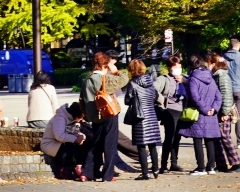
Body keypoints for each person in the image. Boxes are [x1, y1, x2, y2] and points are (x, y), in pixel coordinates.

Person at [79, 51, 128, 182]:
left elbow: (82, 101)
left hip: (94, 117)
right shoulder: (105, 79)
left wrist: (87, 116)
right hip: (109, 114)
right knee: (109, 145)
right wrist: (116, 70)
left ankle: (87, 173)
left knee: (96, 144)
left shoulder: (86, 81)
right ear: (105, 65)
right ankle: (107, 174)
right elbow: (124, 80)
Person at [178, 56, 222, 176]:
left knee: (197, 140)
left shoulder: (193, 79)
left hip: (199, 113)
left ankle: (201, 167)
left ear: (191, 66)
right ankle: (211, 167)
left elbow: (195, 97)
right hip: (211, 114)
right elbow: (219, 96)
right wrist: (214, 109)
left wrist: (205, 109)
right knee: (209, 140)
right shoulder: (211, 78)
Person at [124, 59, 162, 180]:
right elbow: (156, 96)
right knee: (152, 144)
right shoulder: (150, 81)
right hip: (151, 115)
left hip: (139, 116)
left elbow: (127, 100)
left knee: (141, 146)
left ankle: (145, 172)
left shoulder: (132, 83)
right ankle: (155, 169)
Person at [209, 55, 240, 173]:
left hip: (223, 111)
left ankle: (236, 163)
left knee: (225, 137)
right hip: (219, 111)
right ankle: (221, 164)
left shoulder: (222, 76)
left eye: (210, 63)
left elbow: (227, 94)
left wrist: (225, 112)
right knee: (217, 137)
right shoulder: (217, 76)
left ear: (214, 64)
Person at [40, 102, 88, 181]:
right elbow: (59, 136)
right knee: (69, 146)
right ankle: (64, 170)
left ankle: (79, 166)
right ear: (75, 114)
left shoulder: (72, 118)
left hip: (59, 141)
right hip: (50, 143)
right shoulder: (60, 118)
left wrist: (81, 136)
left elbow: (72, 132)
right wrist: (75, 139)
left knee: (80, 145)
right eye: (80, 117)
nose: (81, 120)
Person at [154, 55, 185, 174]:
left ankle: (174, 163)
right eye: (175, 66)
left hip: (182, 111)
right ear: (169, 67)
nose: (178, 68)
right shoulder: (164, 78)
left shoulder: (183, 78)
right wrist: (162, 99)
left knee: (177, 138)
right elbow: (154, 88)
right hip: (169, 111)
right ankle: (163, 165)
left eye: (180, 66)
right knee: (169, 138)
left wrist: (184, 81)